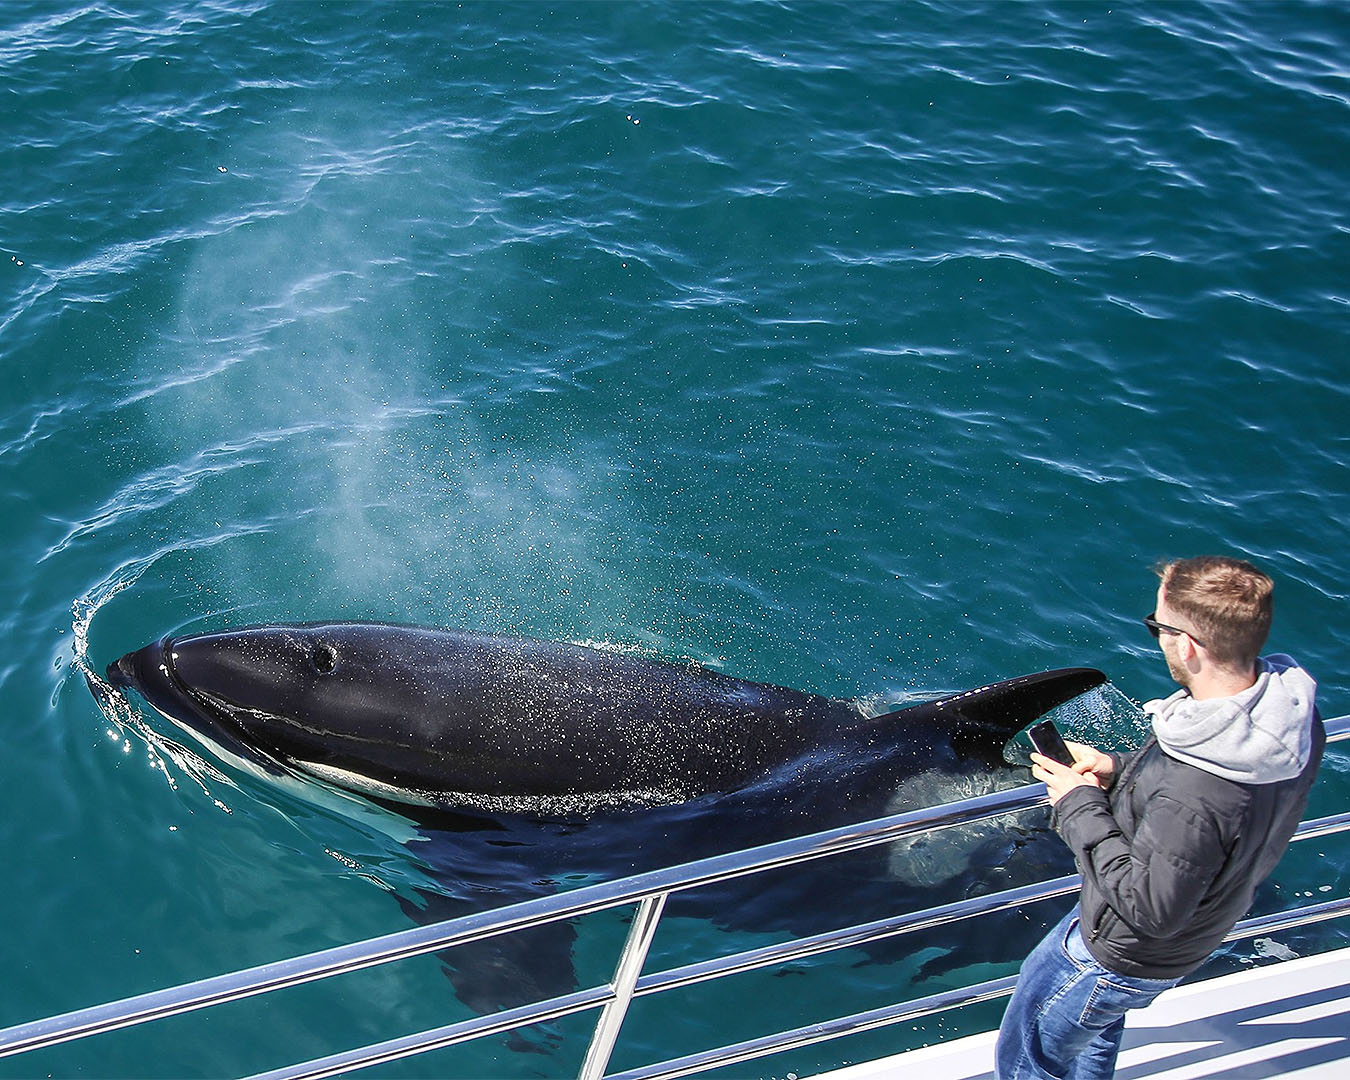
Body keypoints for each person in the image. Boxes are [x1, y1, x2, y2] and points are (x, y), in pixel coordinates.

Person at [994, 555, 1324, 1080]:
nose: (1156, 637)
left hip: (1117, 954)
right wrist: (1116, 769)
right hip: (1196, 929)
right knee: (1094, 1033)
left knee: (1028, 1062)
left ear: (1188, 644)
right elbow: (1195, 811)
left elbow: (1151, 907)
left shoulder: (1201, 786)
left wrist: (1076, 800)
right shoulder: (1277, 721)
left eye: (1157, 626)